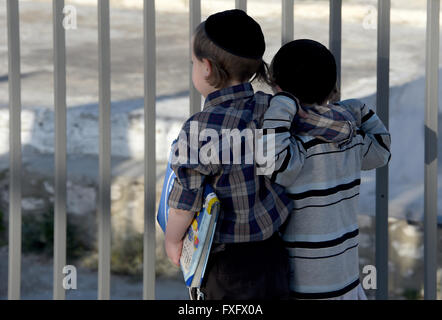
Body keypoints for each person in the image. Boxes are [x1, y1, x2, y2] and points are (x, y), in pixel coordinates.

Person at [165, 10, 355, 300]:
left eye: (192, 62)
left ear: (206, 68)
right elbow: (326, 122)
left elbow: (184, 202)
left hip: (226, 262)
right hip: (274, 254)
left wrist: (171, 239)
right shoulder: (272, 108)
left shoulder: (199, 128)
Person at [260, 39, 391, 299]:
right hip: (349, 284)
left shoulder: (295, 145)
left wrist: (282, 104)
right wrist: (356, 108)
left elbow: (273, 163)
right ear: (332, 89)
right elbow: (381, 150)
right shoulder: (349, 139)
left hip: (307, 289)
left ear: (278, 88)